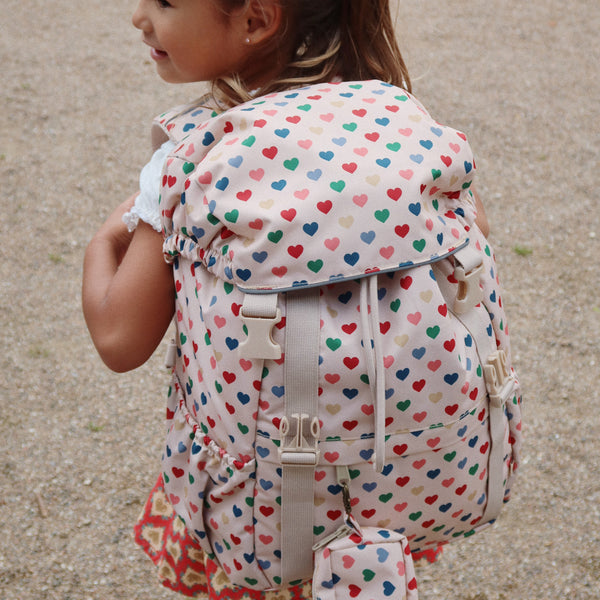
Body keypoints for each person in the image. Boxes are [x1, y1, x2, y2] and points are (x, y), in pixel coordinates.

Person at [83, 0, 490, 597]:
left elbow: (119, 340)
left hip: (259, 508)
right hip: (394, 489)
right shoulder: (400, 125)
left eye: (166, 2)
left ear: (255, 19)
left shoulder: (196, 157)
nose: (140, 17)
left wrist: (104, 240)